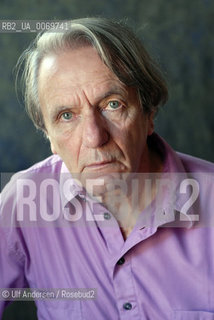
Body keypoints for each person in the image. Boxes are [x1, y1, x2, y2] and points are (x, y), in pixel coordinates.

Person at [0, 17, 214, 320]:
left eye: (112, 104)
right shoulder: (22, 204)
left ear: (149, 113)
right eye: (66, 115)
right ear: (48, 136)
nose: (94, 137)